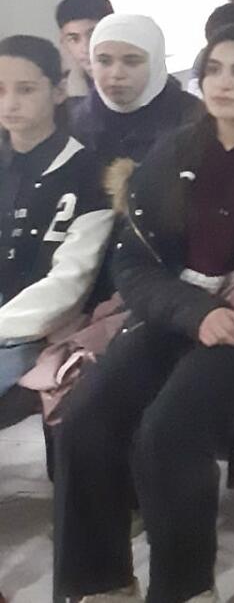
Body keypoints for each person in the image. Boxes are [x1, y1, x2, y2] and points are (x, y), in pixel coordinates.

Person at [52, 25, 234, 603]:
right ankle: (103, 582)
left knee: (167, 432)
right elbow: (133, 263)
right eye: (213, 69)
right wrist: (194, 311)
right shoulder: (173, 151)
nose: (223, 84)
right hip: (180, 313)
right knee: (85, 416)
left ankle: (185, 590)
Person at [0, 36, 113, 396]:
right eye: (0, 90)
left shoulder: (89, 174)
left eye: (26, 89)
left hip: (37, 331)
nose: (9, 103)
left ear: (59, 90)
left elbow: (69, 285)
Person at [71, 14, 202, 167]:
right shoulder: (76, 125)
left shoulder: (194, 119)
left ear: (155, 63)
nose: (116, 74)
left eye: (131, 62)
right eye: (104, 61)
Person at [55, 0, 114, 100]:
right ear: (63, 43)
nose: (86, 48)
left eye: (93, 35)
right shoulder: (59, 94)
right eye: (74, 39)